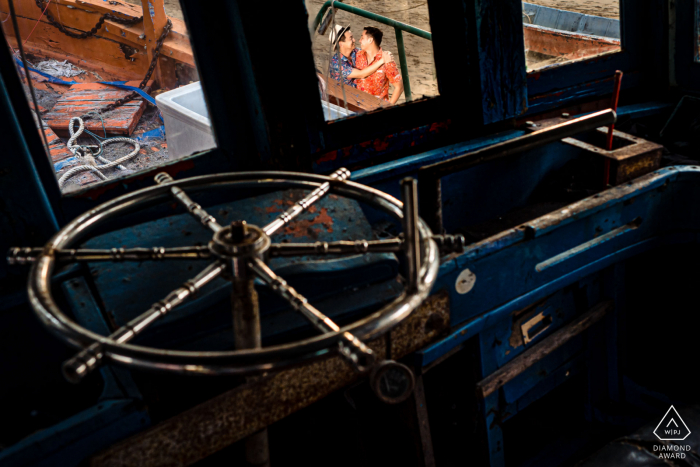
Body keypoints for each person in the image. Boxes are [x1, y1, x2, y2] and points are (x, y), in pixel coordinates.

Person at [328, 25, 393, 88]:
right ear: (341, 44)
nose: (354, 40)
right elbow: (361, 74)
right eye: (351, 38)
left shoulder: (356, 51)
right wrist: (382, 60)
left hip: (359, 94)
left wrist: (385, 55)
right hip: (343, 97)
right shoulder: (336, 63)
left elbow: (372, 52)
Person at [355, 26, 404, 104]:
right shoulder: (358, 55)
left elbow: (399, 86)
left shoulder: (387, 60)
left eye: (362, 38)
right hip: (357, 103)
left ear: (370, 40)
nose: (359, 40)